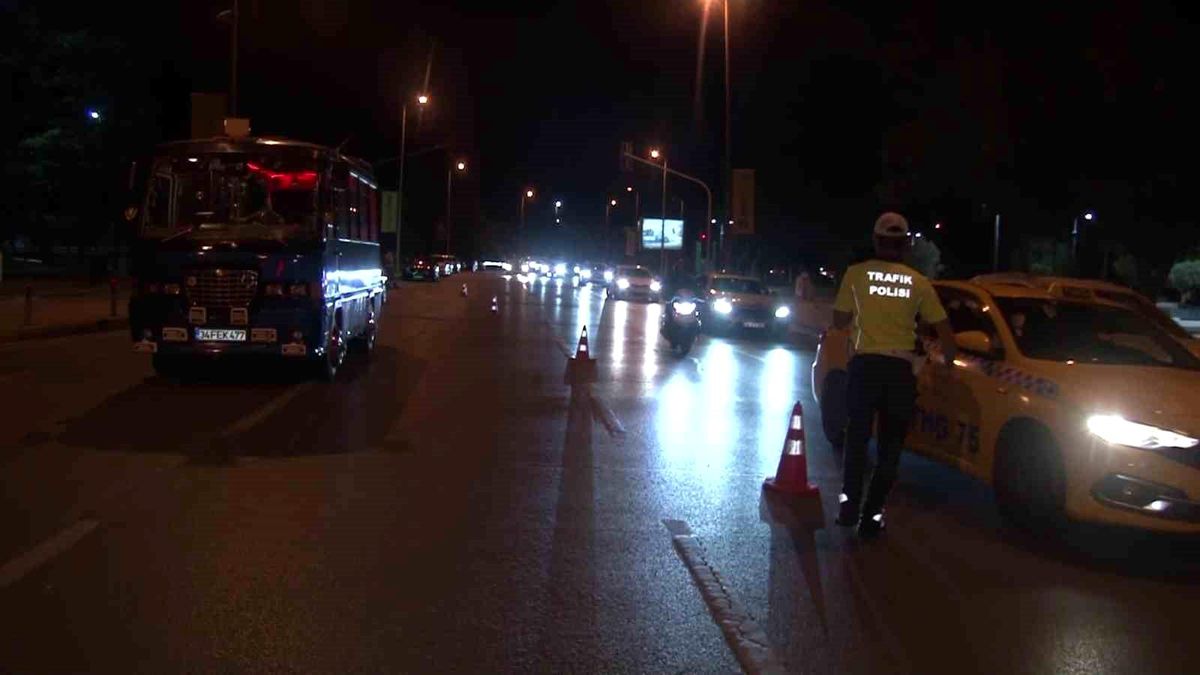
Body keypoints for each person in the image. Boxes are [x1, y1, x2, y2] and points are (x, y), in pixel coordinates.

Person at [830, 212, 957, 537]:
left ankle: (848, 507)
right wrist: (948, 365)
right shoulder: (919, 282)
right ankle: (872, 518)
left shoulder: (856, 275)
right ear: (905, 245)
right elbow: (944, 331)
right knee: (890, 448)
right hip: (900, 373)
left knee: (856, 441)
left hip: (864, 368)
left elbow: (841, 320)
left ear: (875, 240)